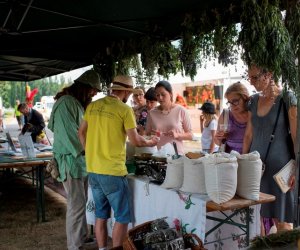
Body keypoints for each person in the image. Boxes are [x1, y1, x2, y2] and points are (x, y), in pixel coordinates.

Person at [78, 75, 158, 249]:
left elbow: (81, 132)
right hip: (113, 171)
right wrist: (150, 142)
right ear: (126, 92)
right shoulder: (124, 109)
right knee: (121, 217)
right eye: (129, 93)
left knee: (101, 215)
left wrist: (89, 152)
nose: (130, 96)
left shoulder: (92, 106)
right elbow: (136, 141)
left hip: (93, 169)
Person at [48, 69, 100, 250]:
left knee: (81, 203)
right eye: (93, 89)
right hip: (72, 162)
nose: (94, 93)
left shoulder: (74, 103)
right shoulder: (65, 104)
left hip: (79, 162)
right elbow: (73, 136)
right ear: (84, 87)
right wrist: (92, 151)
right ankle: (74, 245)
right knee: (76, 205)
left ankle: (81, 237)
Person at [243, 64, 297, 233]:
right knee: (257, 218)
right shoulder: (253, 100)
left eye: (255, 77)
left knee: (283, 221)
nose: (251, 82)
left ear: (269, 74)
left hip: (281, 171)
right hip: (257, 169)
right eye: (249, 77)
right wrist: (242, 163)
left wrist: (296, 168)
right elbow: (248, 136)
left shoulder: (287, 98)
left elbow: (297, 136)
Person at [145, 80, 193, 155]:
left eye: (163, 94)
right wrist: (151, 135)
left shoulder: (181, 110)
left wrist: (177, 135)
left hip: (177, 157)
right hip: (159, 157)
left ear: (170, 94)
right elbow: (147, 134)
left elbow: (190, 135)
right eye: (157, 95)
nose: (160, 98)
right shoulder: (152, 113)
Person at [214, 82, 249, 154]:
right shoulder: (226, 115)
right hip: (229, 160)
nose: (232, 105)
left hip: (249, 159)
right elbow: (217, 142)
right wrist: (219, 138)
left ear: (244, 97)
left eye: (235, 101)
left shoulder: (253, 115)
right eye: (229, 102)